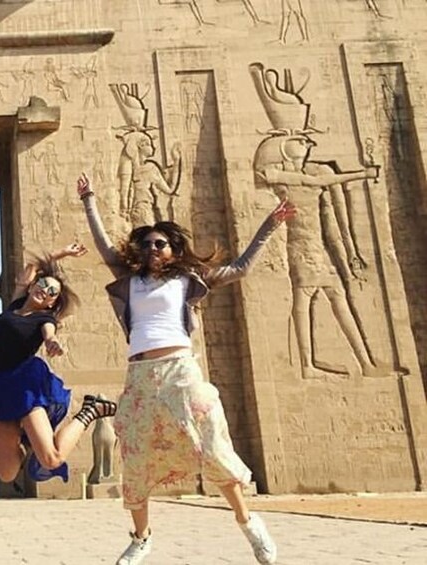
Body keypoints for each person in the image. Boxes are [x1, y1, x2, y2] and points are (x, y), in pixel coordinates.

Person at [76, 172, 294, 565]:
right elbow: (105, 246)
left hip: (180, 367)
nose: (152, 248)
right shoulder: (130, 280)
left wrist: (270, 225)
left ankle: (248, 523)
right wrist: (89, 199)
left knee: (209, 439)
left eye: (160, 243)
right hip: (141, 374)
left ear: (174, 250)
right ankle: (141, 538)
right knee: (136, 453)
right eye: (146, 244)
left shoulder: (188, 280)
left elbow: (241, 267)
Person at [0, 243, 117, 488]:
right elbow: (32, 267)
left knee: (51, 458)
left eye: (53, 293)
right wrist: (60, 253)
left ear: (52, 303)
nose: (46, 291)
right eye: (44, 285)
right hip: (0, 387)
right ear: (32, 286)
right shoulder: (15, 304)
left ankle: (89, 411)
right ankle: (25, 440)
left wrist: (52, 342)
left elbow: (49, 333)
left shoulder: (46, 318)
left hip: (25, 387)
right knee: (7, 473)